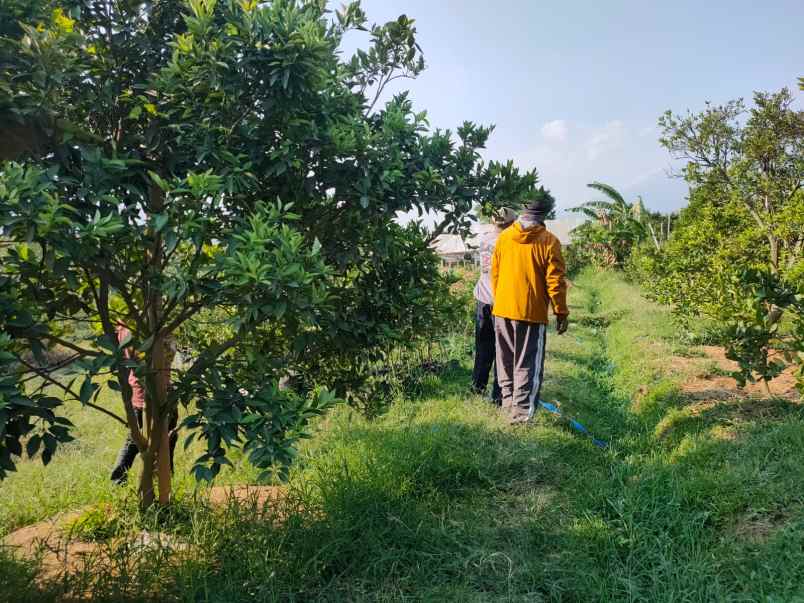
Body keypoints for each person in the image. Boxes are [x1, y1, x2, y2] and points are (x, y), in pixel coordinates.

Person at [491, 191, 569, 424]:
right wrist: (561, 311)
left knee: (505, 361)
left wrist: (502, 300)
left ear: (522, 209)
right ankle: (521, 415)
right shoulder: (549, 241)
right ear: (546, 212)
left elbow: (494, 274)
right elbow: (555, 281)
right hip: (531, 312)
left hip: (502, 309)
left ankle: (507, 405)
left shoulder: (504, 237)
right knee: (527, 363)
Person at [110, 324, 178, 484]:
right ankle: (120, 479)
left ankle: (162, 478)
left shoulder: (131, 327)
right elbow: (148, 360)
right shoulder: (135, 328)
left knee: (166, 436)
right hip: (145, 393)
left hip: (161, 390)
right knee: (140, 440)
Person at [472, 206, 517, 404]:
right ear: (511, 224)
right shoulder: (511, 241)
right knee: (503, 349)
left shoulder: (484, 239)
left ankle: (477, 386)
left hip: (483, 298)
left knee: (483, 346)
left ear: (493, 222)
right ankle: (498, 395)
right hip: (501, 302)